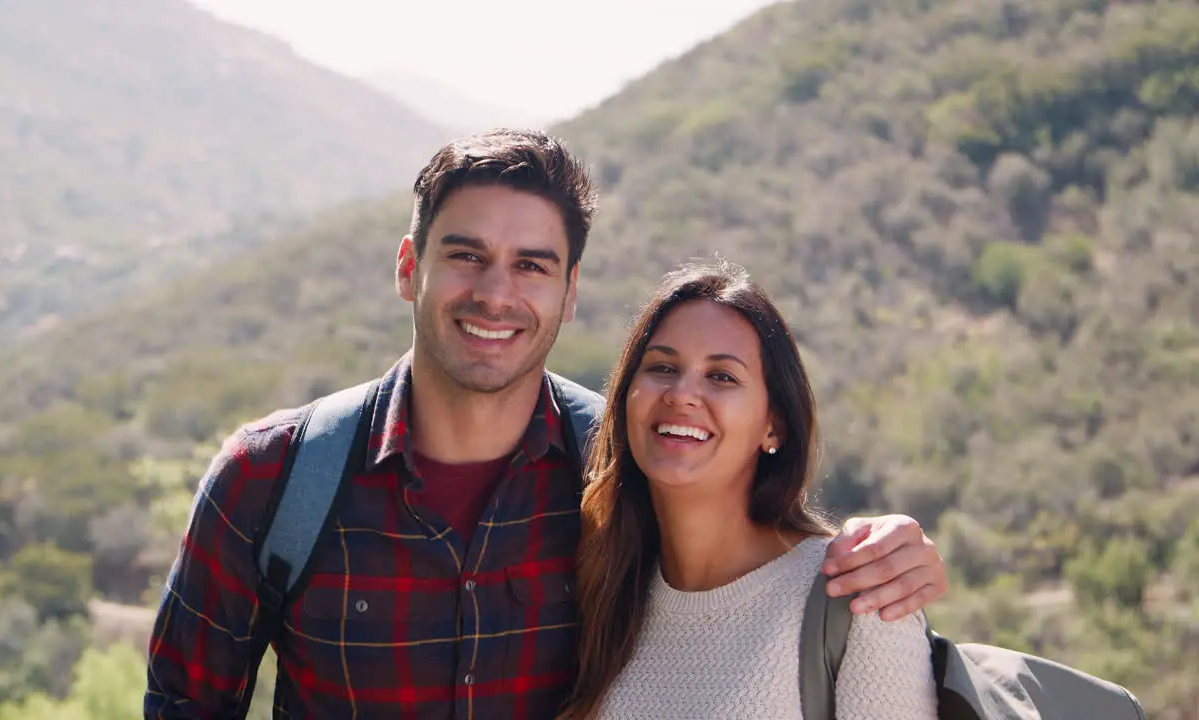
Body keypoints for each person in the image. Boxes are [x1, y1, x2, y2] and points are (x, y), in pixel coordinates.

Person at [144, 128, 948, 719]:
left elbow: (742, 564)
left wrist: (887, 550)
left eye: (532, 265)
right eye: (466, 255)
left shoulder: (626, 477)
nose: (497, 293)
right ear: (407, 268)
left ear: (570, 295)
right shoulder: (272, 480)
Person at [561, 259, 938, 719]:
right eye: (662, 367)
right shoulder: (600, 595)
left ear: (774, 426)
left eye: (722, 376)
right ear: (625, 399)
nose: (682, 394)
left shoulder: (859, 593)